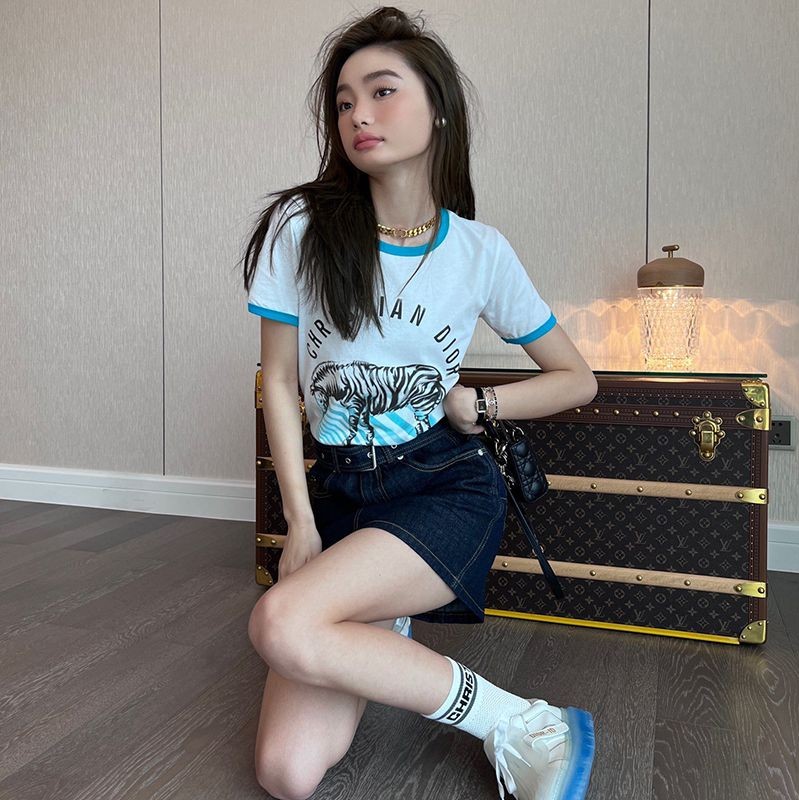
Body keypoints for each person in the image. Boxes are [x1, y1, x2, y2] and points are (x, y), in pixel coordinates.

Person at [240, 7, 598, 800]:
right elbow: (278, 381)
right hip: (339, 493)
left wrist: (481, 404)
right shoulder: (302, 228)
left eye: (382, 91)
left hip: (440, 485)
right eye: (343, 102)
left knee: (280, 623)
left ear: (437, 108)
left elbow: (578, 379)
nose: (358, 115)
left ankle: (523, 724)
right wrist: (300, 523)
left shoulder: (479, 251)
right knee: (287, 773)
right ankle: (376, 610)